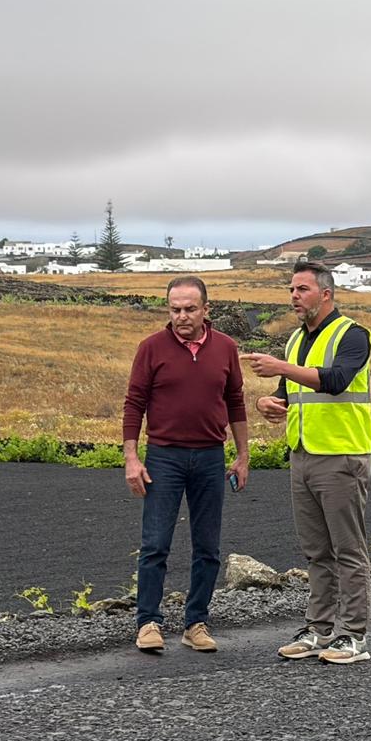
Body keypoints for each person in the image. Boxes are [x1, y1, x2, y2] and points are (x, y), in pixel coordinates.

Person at [248, 261, 371, 664]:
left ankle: (352, 635)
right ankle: (320, 630)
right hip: (302, 454)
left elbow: (336, 381)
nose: (294, 297)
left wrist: (281, 368)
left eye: (301, 289)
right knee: (316, 551)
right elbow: (288, 393)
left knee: (348, 549)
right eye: (291, 290)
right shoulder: (295, 341)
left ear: (326, 294)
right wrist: (267, 402)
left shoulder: (352, 335)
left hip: (341, 455)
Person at [123, 275, 250, 654]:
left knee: (208, 546)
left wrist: (243, 456)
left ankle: (196, 622)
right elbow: (134, 404)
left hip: (211, 456)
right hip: (164, 457)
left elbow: (236, 402)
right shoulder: (151, 349)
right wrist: (132, 457)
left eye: (190, 309)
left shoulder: (225, 347)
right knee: (155, 544)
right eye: (175, 309)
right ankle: (148, 622)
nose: (182, 316)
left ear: (206, 309)